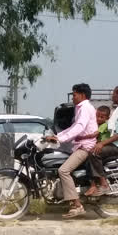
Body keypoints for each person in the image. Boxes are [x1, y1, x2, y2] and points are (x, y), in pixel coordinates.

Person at [45, 83, 97, 219]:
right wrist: (58, 137)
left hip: (85, 147)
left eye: (74, 95)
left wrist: (60, 139)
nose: (72, 98)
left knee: (63, 170)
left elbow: (79, 127)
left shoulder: (85, 108)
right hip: (79, 145)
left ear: (82, 95)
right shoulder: (80, 108)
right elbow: (73, 127)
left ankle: (77, 205)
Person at [86, 85, 118, 196]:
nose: (112, 96)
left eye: (113, 94)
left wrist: (102, 143)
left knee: (94, 153)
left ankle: (103, 184)